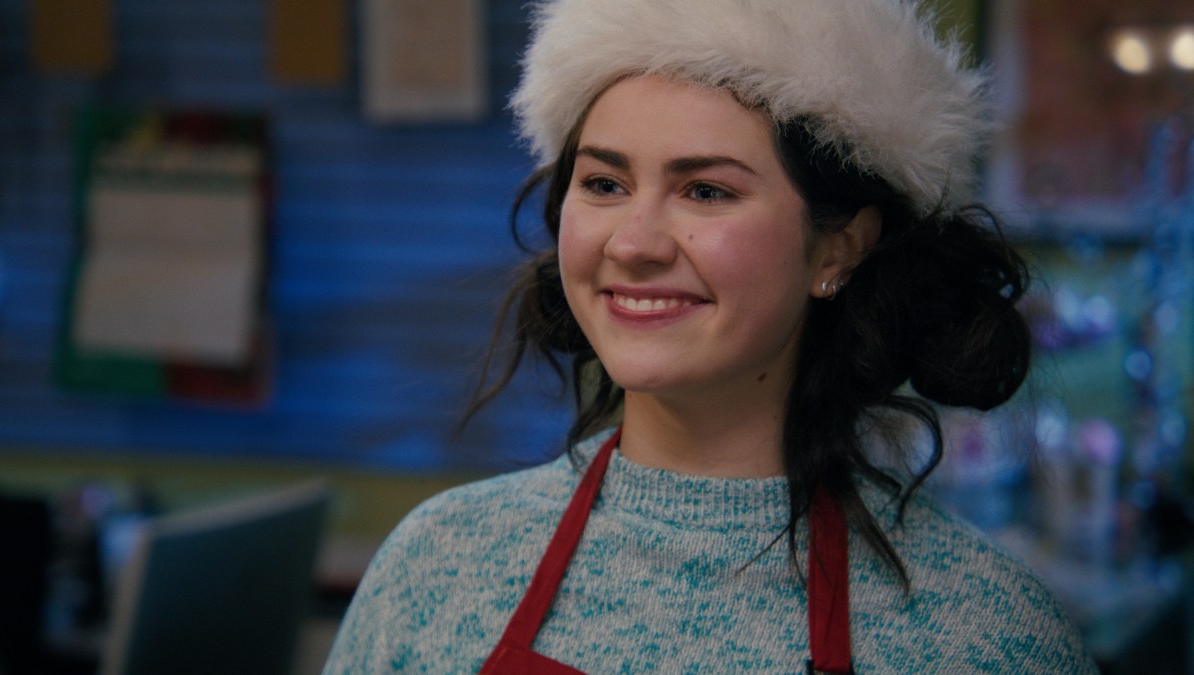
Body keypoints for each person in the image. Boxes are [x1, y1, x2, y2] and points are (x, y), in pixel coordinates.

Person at [324, 0, 1098, 672]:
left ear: (838, 249)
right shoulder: (437, 567)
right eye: (604, 183)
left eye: (705, 190)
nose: (634, 242)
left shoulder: (986, 635)